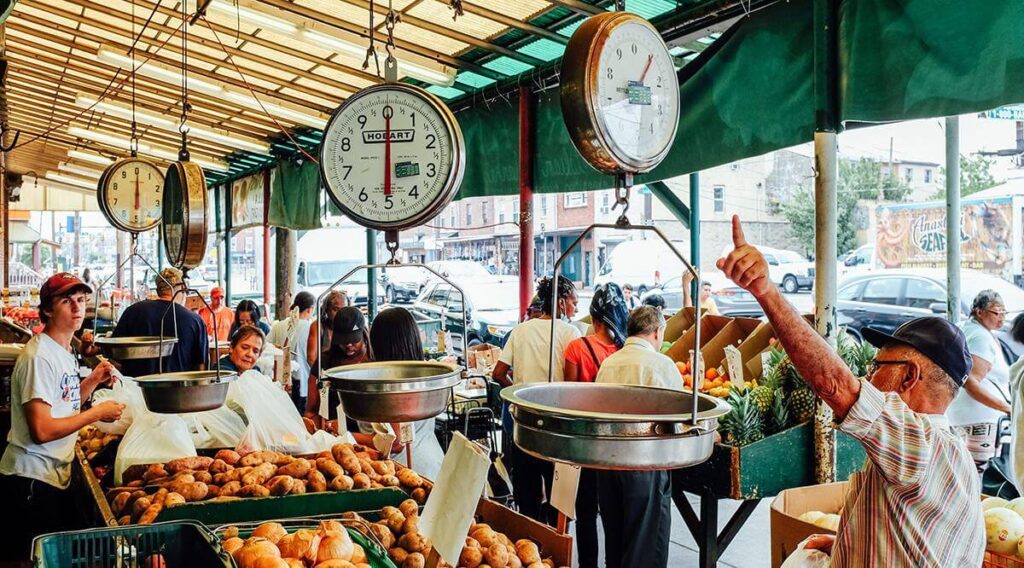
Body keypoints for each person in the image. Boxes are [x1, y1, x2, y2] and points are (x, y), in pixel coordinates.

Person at [720, 215, 984, 566]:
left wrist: (765, 291)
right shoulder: (949, 456)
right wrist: (846, 541)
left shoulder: (921, 444)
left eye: (877, 367)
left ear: (908, 377)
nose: (867, 376)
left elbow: (834, 384)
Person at [0, 273, 124, 560]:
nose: (77, 307)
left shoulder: (64, 351)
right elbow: (41, 430)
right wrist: (95, 413)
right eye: (67, 301)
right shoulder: (39, 357)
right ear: (47, 310)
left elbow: (63, 404)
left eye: (80, 300)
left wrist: (92, 380)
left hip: (52, 477)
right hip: (30, 479)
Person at [593, 306, 678, 568]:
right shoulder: (661, 365)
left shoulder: (608, 363)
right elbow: (682, 416)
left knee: (616, 544)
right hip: (646, 464)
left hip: (608, 464)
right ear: (656, 332)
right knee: (645, 547)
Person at [493, 275, 580, 524]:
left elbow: (498, 373)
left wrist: (518, 393)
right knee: (558, 502)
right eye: (574, 302)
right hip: (556, 428)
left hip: (526, 425)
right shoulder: (570, 333)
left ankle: (530, 548)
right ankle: (555, 552)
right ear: (562, 302)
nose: (576, 308)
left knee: (528, 501)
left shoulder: (521, 330)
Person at [561, 283, 628, 568]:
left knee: (585, 511)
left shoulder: (577, 348)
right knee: (615, 511)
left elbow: (569, 394)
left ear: (594, 318)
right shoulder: (623, 352)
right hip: (616, 443)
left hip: (585, 442)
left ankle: (588, 564)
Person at [366, 307, 445, 478]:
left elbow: (395, 442)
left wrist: (347, 437)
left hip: (408, 471)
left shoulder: (392, 383)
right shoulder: (424, 372)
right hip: (434, 463)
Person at [949, 290, 1012, 466]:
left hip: (960, 416)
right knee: (979, 479)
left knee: (967, 474)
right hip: (980, 419)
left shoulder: (965, 327)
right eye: (997, 312)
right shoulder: (981, 337)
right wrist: (1007, 408)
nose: (1002, 317)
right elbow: (970, 382)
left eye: (1004, 313)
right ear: (979, 311)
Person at [111, 267, 209, 377]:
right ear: (182, 288)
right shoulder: (195, 321)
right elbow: (201, 368)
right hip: (179, 390)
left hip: (137, 389)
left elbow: (114, 356)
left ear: (158, 290)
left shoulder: (133, 311)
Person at [305, 306, 371, 429]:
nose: (348, 345)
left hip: (370, 439)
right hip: (332, 437)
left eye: (353, 340)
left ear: (363, 333)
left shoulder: (375, 362)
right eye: (343, 342)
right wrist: (317, 427)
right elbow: (311, 410)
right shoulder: (324, 363)